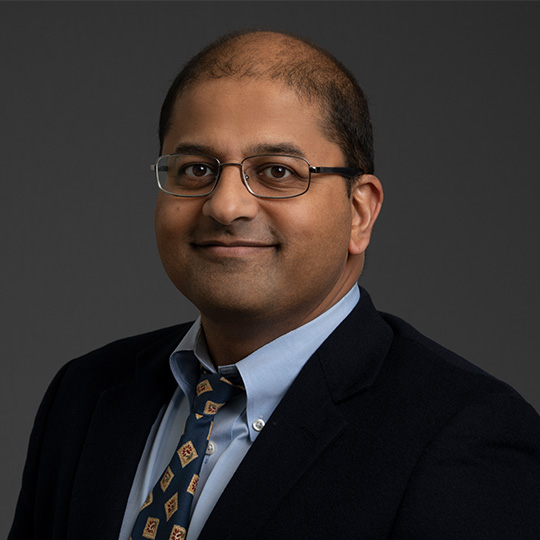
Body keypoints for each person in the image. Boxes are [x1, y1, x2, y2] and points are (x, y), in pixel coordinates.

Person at [9, 30, 540, 540]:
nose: (226, 205)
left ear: (359, 213)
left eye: (278, 172)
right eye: (196, 169)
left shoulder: (465, 435)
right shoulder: (84, 395)